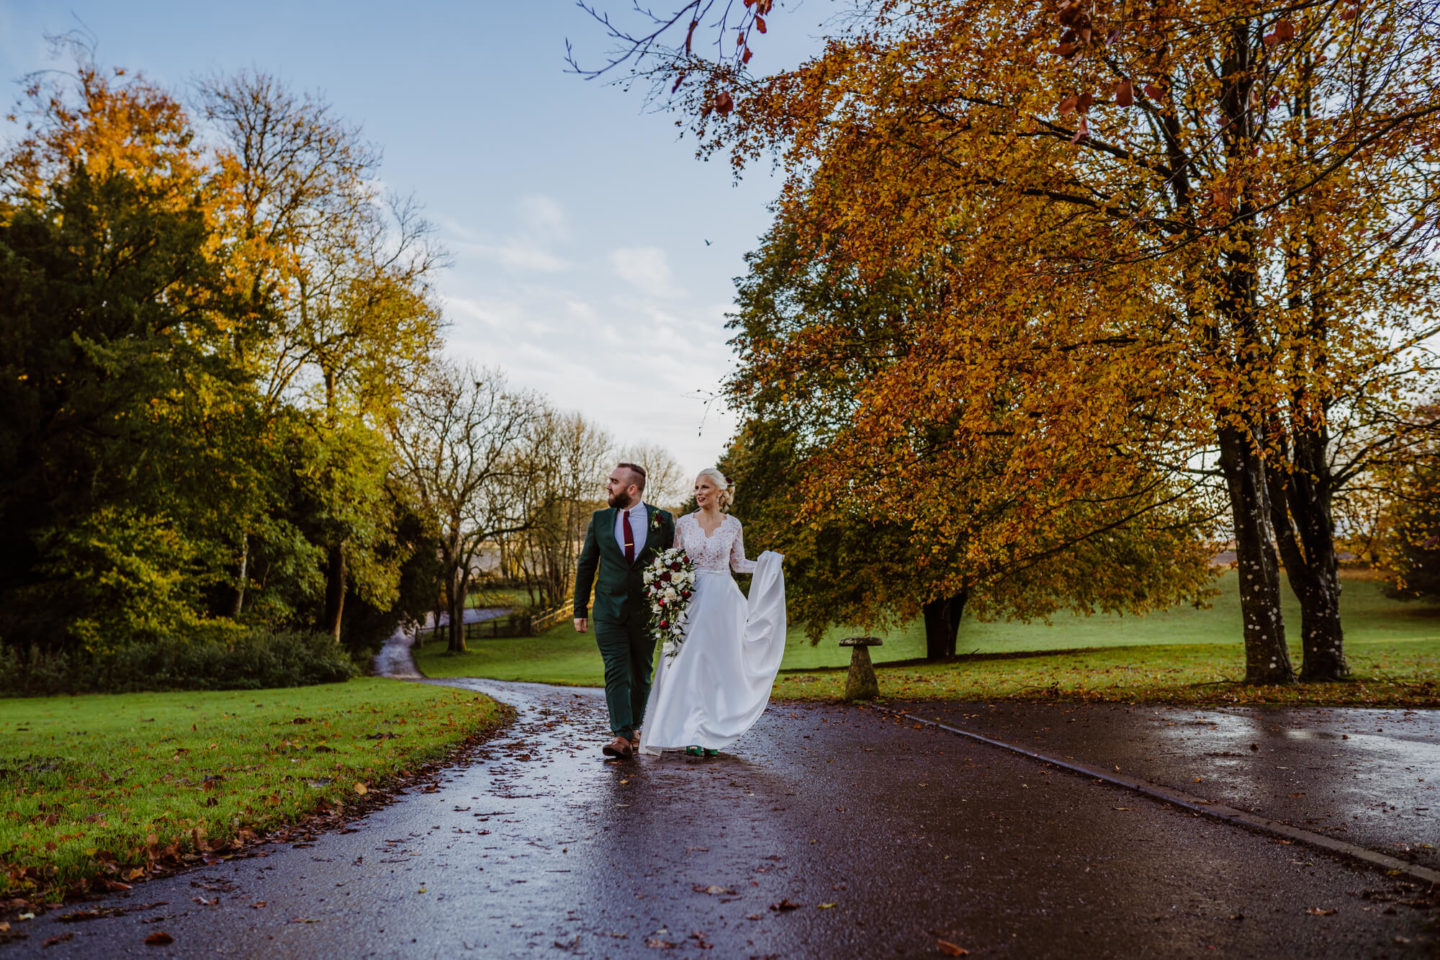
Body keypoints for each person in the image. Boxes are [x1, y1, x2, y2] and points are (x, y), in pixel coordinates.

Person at [639, 468, 786, 758]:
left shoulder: (733, 525)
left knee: (716, 669)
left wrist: (768, 564)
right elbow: (675, 561)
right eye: (696, 487)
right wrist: (667, 588)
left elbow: (739, 563)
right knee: (685, 666)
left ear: (720, 491)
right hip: (690, 600)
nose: (699, 492)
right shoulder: (684, 524)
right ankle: (688, 732)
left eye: (704, 487)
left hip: (723, 603)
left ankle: (709, 732)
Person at [573, 463, 675, 759]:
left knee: (641, 672)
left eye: (614, 482)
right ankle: (621, 734)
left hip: (647, 612)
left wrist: (668, 607)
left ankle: (633, 728)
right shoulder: (601, 519)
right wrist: (580, 608)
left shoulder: (662, 520)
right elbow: (587, 564)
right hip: (608, 609)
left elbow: (671, 563)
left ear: (632, 489)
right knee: (616, 669)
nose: (609, 485)